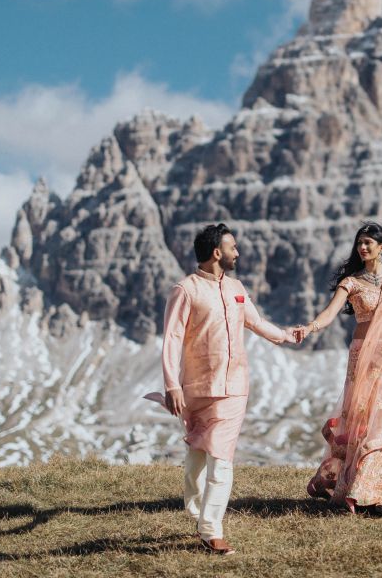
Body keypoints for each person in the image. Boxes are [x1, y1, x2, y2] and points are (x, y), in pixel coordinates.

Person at [159, 223, 296, 555]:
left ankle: (210, 529)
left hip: (234, 387)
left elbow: (255, 321)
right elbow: (172, 339)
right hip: (196, 388)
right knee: (195, 456)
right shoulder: (186, 290)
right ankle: (195, 512)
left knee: (221, 458)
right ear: (217, 252)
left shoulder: (237, 287)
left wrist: (286, 335)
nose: (238, 253)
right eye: (233, 247)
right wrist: (171, 385)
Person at [292, 221, 382, 516]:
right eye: (359, 243)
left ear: (381, 248)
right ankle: (353, 485)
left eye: (368, 243)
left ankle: (381, 495)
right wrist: (310, 327)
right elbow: (329, 313)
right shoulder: (352, 282)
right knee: (361, 418)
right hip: (362, 358)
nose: (362, 248)